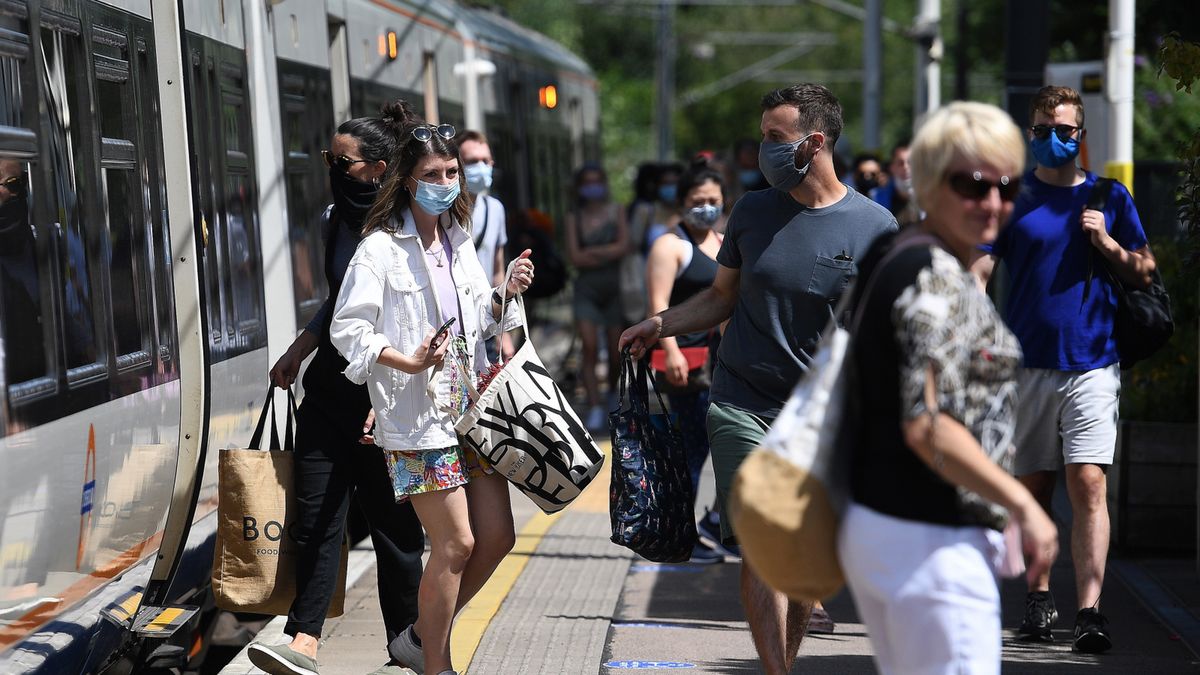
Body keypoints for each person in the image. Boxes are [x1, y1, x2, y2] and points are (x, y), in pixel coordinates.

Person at [620, 83, 897, 675]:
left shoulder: (874, 227)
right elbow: (721, 298)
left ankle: (784, 663)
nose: (763, 151)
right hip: (742, 400)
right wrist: (659, 323)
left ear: (814, 142)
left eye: (775, 138)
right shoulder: (752, 210)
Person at [839, 101, 1060, 675]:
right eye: (972, 185)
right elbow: (926, 423)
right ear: (931, 183)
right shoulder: (934, 276)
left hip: (883, 527)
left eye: (1007, 189)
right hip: (931, 542)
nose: (992, 204)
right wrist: (1022, 506)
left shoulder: (894, 252)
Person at [329, 103, 535, 675]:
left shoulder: (459, 239)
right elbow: (348, 329)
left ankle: (419, 637)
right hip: (416, 419)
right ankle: (436, 664)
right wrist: (406, 361)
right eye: (432, 175)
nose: (445, 184)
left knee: (497, 537)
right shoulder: (380, 249)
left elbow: (478, 320)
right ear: (405, 180)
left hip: (469, 410)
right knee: (455, 545)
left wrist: (506, 292)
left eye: (451, 173)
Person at [976, 85, 1156, 654]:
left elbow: (1144, 273)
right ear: (1029, 133)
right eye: (1042, 129)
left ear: (1081, 136)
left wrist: (1105, 241)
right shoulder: (1011, 195)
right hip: (1026, 363)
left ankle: (1089, 610)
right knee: (1033, 487)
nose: (1053, 138)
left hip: (1094, 361)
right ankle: (1037, 598)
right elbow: (980, 268)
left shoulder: (1110, 195)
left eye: (1065, 130)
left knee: (1088, 482)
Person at [251, 103, 425, 675]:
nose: (330, 167)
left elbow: (419, 317)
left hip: (388, 398)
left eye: (338, 160)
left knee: (394, 529)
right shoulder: (335, 219)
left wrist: (388, 396)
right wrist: (298, 353)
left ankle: (408, 642)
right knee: (319, 515)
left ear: (376, 168)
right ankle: (303, 640)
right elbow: (338, 303)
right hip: (329, 393)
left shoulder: (408, 228)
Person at [644, 158, 727, 565]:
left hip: (721, 362)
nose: (707, 207)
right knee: (692, 449)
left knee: (720, 446)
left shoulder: (724, 241)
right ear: (683, 202)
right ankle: (684, 535)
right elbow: (658, 305)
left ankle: (711, 524)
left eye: (714, 199)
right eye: (698, 200)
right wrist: (671, 350)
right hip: (686, 363)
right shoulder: (669, 244)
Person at [565, 163, 629, 430]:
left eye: (597, 181)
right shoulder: (574, 217)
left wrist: (593, 253)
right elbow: (575, 256)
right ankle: (593, 405)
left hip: (615, 288)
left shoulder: (617, 211)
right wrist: (607, 251)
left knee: (616, 353)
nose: (593, 187)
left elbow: (624, 246)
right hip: (586, 290)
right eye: (587, 182)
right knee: (589, 347)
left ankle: (611, 392)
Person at [454, 129, 511, 360]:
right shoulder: (445, 213)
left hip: (485, 320)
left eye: (484, 161)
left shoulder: (495, 209)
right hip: (456, 323)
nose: (480, 167)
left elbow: (498, 273)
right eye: (471, 161)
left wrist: (503, 333)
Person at [873, 142, 916, 224]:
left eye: (911, 162)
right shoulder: (875, 199)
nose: (906, 167)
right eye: (900, 163)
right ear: (892, 168)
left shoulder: (932, 199)